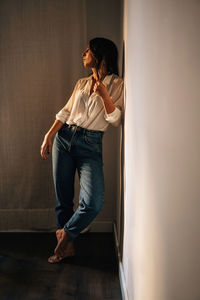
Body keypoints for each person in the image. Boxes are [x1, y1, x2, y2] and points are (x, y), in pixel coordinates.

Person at [40, 37, 124, 263]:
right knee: (63, 197)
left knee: (94, 201)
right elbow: (66, 112)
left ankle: (65, 234)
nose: (83, 53)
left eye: (88, 50)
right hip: (64, 139)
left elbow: (115, 120)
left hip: (90, 143)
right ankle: (66, 248)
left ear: (100, 55)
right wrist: (49, 135)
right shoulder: (81, 83)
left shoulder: (118, 85)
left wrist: (104, 95)